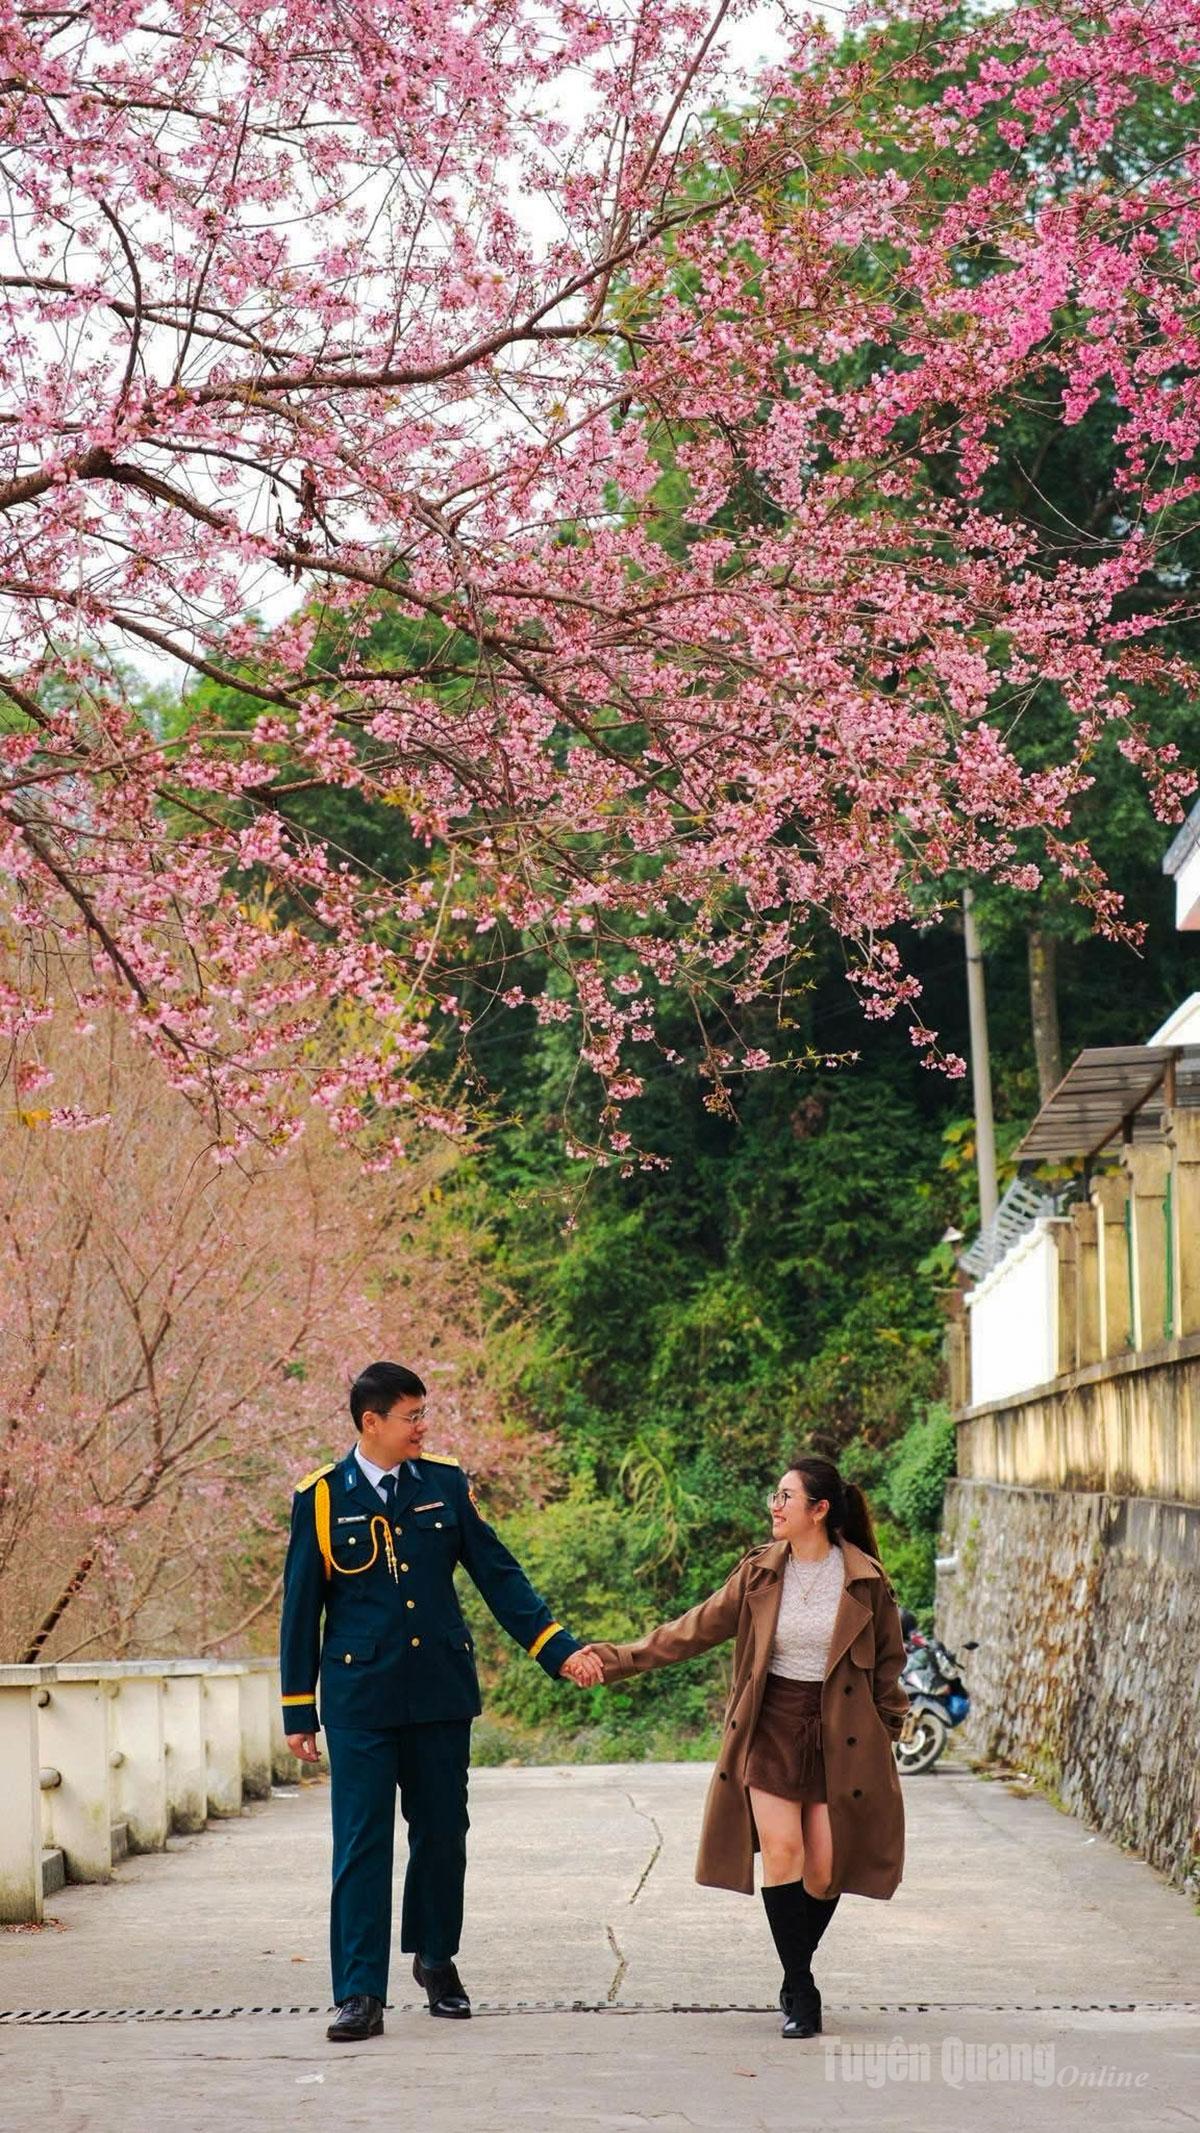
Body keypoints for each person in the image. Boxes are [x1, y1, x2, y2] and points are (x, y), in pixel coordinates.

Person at [279, 1360, 603, 2042]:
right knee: (361, 1843)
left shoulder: (446, 1484)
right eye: (411, 1416)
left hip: (437, 1690)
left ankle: (435, 1958)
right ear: (371, 1422)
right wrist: (297, 1709)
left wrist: (558, 1647)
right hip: (359, 1695)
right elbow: (300, 1610)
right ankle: (360, 1991)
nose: (423, 1426)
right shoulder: (319, 1498)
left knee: (442, 1835)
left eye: (425, 1413)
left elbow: (497, 1572)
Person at [579, 1454, 908, 2038]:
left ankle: (793, 1972)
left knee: (827, 1867)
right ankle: (801, 1988)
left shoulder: (865, 1579)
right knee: (784, 1853)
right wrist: (616, 1660)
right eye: (775, 1496)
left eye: (786, 1497)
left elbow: (888, 1666)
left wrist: (890, 1730)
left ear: (820, 1510)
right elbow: (692, 1629)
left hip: (844, 1734)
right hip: (772, 1724)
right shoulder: (759, 1572)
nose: (774, 1507)